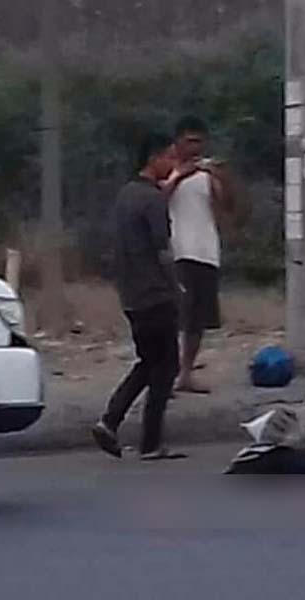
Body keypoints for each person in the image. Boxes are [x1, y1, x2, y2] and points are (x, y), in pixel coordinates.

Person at [91, 132, 185, 462]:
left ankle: (110, 421)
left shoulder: (125, 195)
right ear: (154, 158)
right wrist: (176, 287)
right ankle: (151, 442)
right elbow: (163, 250)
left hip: (131, 294)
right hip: (156, 293)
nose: (173, 165)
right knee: (166, 366)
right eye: (169, 158)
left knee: (149, 363)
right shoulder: (152, 199)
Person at [164, 116, 240, 395]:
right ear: (178, 142)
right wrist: (181, 173)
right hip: (178, 252)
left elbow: (229, 207)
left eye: (199, 141)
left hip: (206, 251)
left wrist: (223, 177)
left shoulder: (207, 175)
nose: (195, 147)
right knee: (175, 318)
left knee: (197, 321)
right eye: (189, 141)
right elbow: (157, 199)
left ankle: (186, 373)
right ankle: (165, 374)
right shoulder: (166, 169)